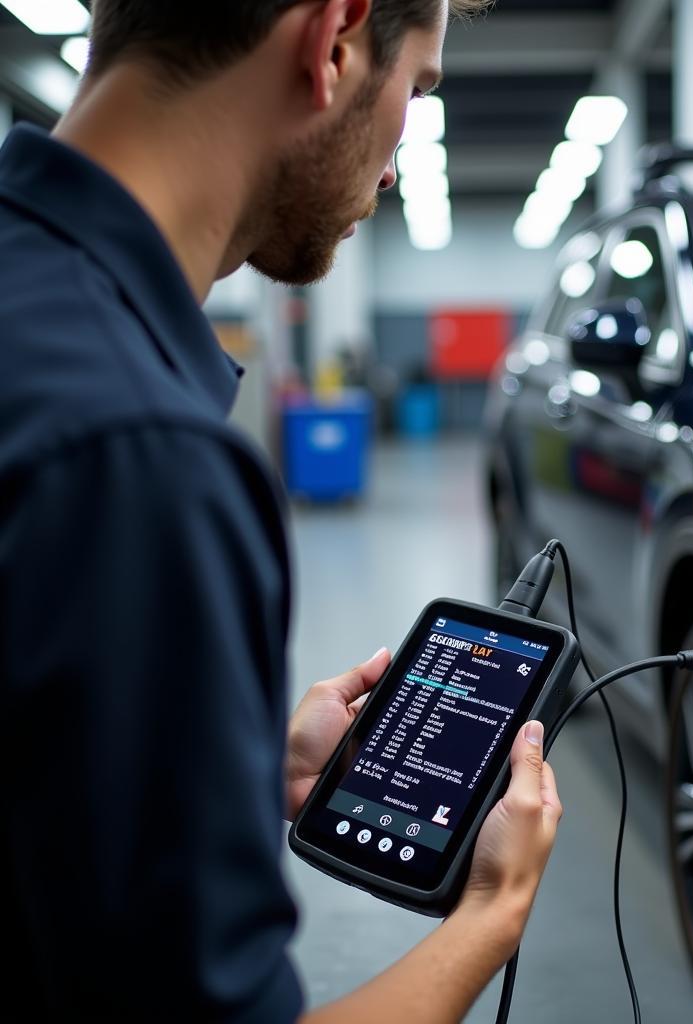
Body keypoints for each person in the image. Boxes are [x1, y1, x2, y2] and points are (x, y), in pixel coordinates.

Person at [0, 1, 563, 1020]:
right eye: (417, 91)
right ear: (336, 40)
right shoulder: (142, 459)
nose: (392, 167)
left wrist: (235, 773)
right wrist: (493, 908)